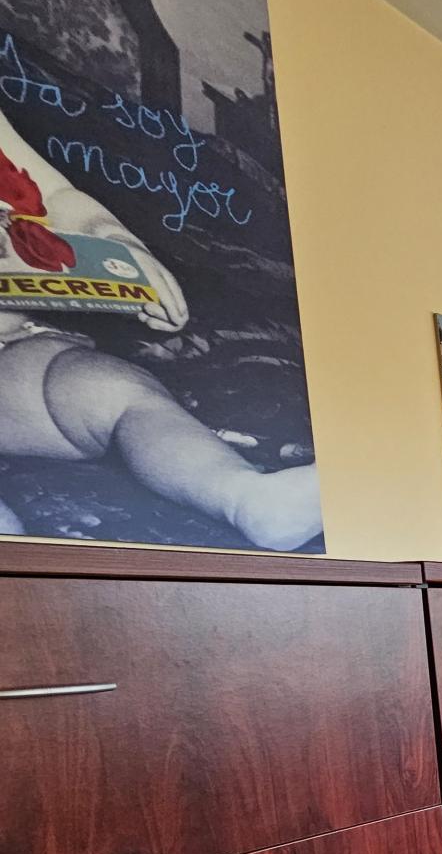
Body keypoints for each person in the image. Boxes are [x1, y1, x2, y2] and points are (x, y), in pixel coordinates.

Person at [0, 115, 322, 549]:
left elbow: (58, 196)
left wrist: (119, 246)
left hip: (21, 350)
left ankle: (248, 498)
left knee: (117, 393)